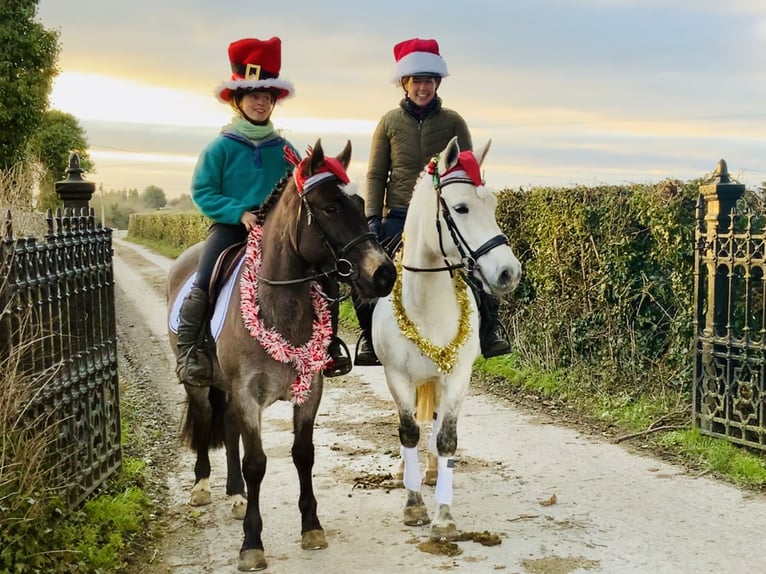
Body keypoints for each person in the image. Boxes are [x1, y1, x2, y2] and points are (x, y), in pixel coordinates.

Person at [175, 36, 351, 386]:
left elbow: (303, 193)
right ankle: (190, 352)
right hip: (232, 229)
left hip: (279, 235)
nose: (261, 103)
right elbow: (203, 191)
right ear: (238, 99)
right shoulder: (220, 148)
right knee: (204, 279)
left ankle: (328, 347)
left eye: (267, 97)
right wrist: (238, 212)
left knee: (323, 276)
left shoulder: (285, 151)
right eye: (254, 96)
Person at [353, 37, 512, 367]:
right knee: (367, 273)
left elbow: (469, 171)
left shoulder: (454, 122)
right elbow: (375, 174)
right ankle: (370, 340)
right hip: (398, 216)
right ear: (404, 83)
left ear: (437, 83)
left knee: (475, 265)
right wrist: (372, 218)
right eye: (416, 81)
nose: (422, 88)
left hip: (444, 218)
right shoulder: (388, 123)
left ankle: (489, 334)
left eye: (428, 81)